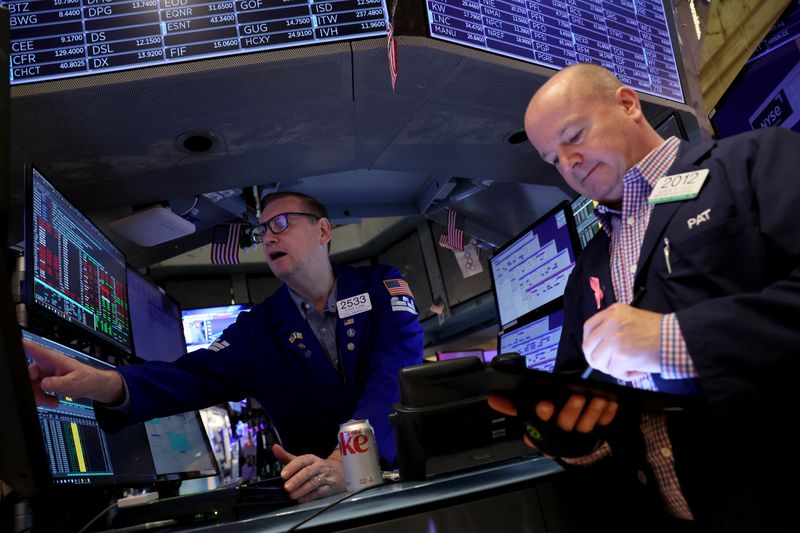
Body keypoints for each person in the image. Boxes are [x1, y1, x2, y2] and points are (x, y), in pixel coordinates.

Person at [490, 63, 800, 532]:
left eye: (574, 134)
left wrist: (676, 339)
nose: (568, 162)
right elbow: (580, 389)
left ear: (628, 103)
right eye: (553, 158)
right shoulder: (588, 268)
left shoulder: (753, 161)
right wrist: (567, 434)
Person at [26, 191, 424, 503]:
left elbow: (394, 375)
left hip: (406, 480)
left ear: (322, 231)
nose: (269, 236)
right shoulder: (260, 328)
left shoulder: (379, 287)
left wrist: (344, 463)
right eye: (263, 229)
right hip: (320, 501)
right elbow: (189, 376)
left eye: (281, 223)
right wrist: (102, 382)